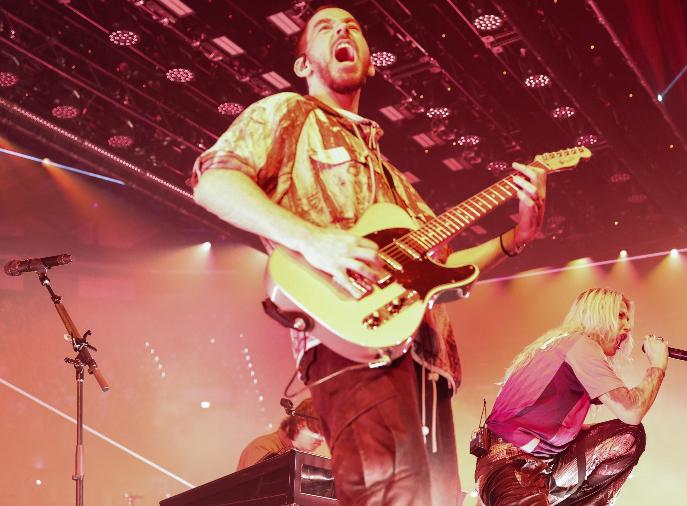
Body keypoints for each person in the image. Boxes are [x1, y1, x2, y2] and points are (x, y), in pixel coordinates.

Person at [189, 6, 547, 504]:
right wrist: (314, 240)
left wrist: (516, 239)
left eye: (352, 26)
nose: (342, 30)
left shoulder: (394, 179)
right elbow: (214, 182)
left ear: (371, 61)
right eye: (324, 27)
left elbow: (447, 269)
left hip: (428, 362)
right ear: (304, 65)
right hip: (352, 344)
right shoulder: (288, 115)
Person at [474, 288, 668, 505]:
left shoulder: (561, 345)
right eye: (620, 316)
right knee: (630, 430)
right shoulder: (581, 346)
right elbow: (631, 411)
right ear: (598, 314)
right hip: (512, 465)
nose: (628, 327)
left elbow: (543, 423)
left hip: (527, 467)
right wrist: (657, 365)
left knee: (627, 436)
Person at [236, 398, 325, 470]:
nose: (322, 439)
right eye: (317, 431)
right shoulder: (262, 447)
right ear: (300, 424)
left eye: (325, 435)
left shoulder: (302, 457)